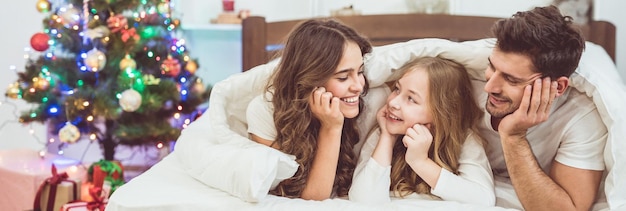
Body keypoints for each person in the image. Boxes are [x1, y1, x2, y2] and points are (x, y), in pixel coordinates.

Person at [475, 5, 607, 210]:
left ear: (558, 87)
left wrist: (513, 137)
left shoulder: (582, 116)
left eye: (511, 79)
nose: (489, 86)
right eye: (491, 66)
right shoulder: (463, 79)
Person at [245, 18, 372, 200]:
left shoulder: (372, 101)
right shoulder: (264, 112)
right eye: (343, 77)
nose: (359, 86)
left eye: (360, 72)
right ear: (311, 80)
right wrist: (331, 128)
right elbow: (313, 198)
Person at [349, 57, 495, 206]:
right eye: (397, 89)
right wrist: (387, 137)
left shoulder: (464, 138)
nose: (393, 103)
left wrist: (420, 162)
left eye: (411, 99)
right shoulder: (383, 131)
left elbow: (483, 199)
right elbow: (363, 200)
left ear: (441, 113)